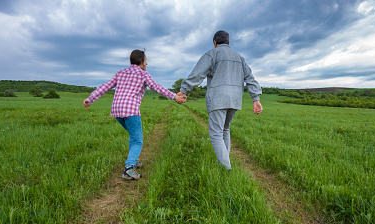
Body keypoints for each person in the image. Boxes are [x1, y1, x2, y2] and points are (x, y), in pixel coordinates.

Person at [83, 49, 186, 180]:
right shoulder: (143, 74)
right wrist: (174, 96)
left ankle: (134, 159)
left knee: (133, 135)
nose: (147, 63)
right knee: (138, 140)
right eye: (146, 60)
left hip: (117, 111)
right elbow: (156, 87)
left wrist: (90, 99)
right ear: (141, 61)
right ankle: (129, 169)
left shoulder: (120, 73)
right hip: (131, 110)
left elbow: (106, 86)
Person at [178, 30, 262, 170]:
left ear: (215, 43)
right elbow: (250, 78)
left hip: (218, 98)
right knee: (225, 129)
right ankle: (225, 162)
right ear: (229, 43)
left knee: (216, 133)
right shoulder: (239, 57)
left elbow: (198, 73)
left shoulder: (212, 53)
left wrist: (184, 90)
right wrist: (256, 98)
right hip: (235, 100)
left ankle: (226, 169)